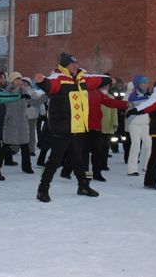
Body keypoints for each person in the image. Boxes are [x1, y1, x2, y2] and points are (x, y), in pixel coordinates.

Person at [35, 53, 111, 202]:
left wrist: (108, 79)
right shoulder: (58, 78)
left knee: (79, 159)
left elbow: (97, 80)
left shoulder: (82, 79)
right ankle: (42, 189)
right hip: (61, 127)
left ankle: (83, 186)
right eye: (71, 64)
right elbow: (49, 85)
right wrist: (41, 82)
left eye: (76, 63)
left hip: (77, 127)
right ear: (64, 66)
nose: (75, 66)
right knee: (54, 161)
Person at [126, 75, 152, 176]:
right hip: (135, 124)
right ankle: (132, 169)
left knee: (150, 145)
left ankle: (147, 166)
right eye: (143, 83)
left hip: (145, 124)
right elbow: (132, 108)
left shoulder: (148, 96)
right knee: (136, 147)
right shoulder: (132, 96)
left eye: (146, 83)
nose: (145, 85)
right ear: (138, 85)